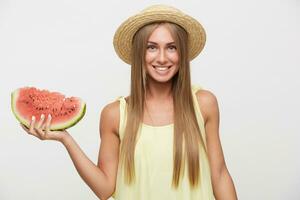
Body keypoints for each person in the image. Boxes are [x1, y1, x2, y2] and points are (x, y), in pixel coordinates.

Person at [21, 4, 238, 200]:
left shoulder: (203, 104)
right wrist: (65, 139)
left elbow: (219, 176)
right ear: (138, 53)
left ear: (181, 53)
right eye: (151, 47)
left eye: (172, 47)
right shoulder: (115, 115)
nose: (162, 58)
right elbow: (105, 188)